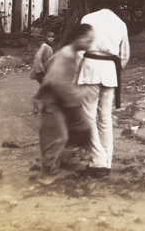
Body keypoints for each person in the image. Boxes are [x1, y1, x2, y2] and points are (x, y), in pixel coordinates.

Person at [77, 0, 130, 177]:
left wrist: (77, 70)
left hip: (90, 69)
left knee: (88, 117)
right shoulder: (121, 24)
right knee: (105, 118)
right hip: (110, 71)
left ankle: (97, 161)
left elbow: (79, 49)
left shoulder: (88, 19)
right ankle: (106, 161)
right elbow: (124, 56)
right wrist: (113, 68)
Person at [35, 23, 94, 176]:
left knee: (78, 130)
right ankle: (47, 172)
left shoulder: (70, 53)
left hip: (60, 99)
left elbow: (50, 65)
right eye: (88, 40)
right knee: (58, 136)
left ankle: (60, 160)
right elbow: (57, 82)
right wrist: (80, 95)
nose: (90, 43)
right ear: (79, 38)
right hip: (52, 101)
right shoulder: (67, 55)